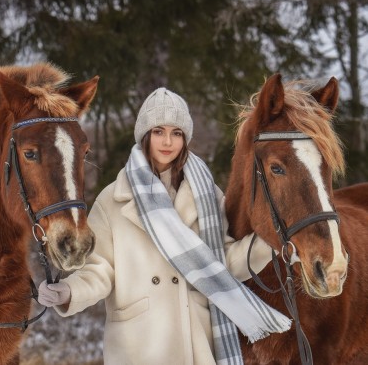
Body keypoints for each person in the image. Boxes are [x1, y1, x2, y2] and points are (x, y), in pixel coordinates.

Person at [38, 88, 291, 365]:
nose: (167, 141)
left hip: (196, 339)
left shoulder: (207, 194)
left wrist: (272, 242)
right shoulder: (114, 199)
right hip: (141, 342)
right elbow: (99, 270)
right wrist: (70, 292)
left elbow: (224, 263)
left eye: (177, 132)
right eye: (158, 131)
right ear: (145, 135)